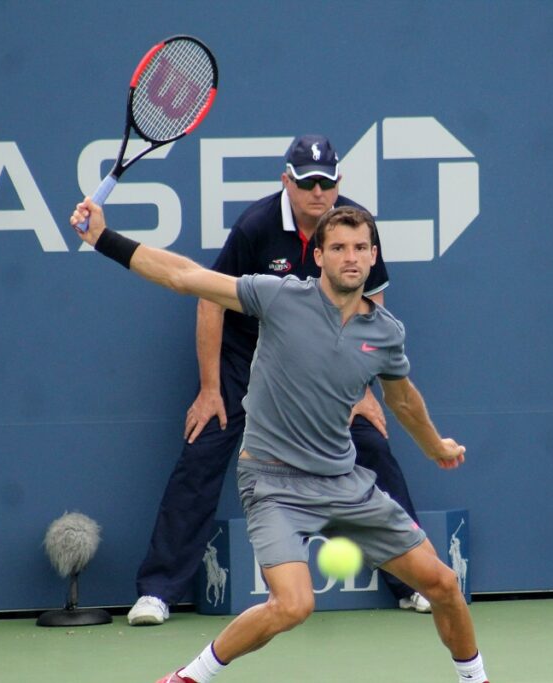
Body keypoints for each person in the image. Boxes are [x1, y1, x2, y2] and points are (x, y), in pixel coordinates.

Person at [69, 201, 490, 683]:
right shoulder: (279, 296)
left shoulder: (385, 333)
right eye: (338, 248)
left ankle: (475, 679)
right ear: (319, 256)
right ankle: (189, 676)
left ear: (374, 256)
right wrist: (104, 238)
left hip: (344, 483)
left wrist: (435, 446)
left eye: (359, 248)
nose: (350, 257)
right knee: (293, 604)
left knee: (442, 583)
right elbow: (184, 277)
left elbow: (404, 401)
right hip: (272, 483)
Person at [128, 135, 430, 626]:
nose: (318, 193)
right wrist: (210, 389)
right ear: (286, 181)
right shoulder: (256, 226)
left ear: (338, 184)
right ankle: (158, 591)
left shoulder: (353, 228)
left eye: (326, 183)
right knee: (202, 448)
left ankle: (413, 585)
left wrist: (364, 392)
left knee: (372, 442)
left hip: (319, 366)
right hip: (246, 358)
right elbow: (210, 298)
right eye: (307, 182)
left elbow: (369, 314)